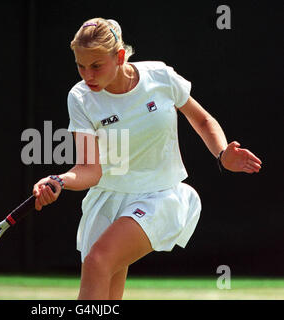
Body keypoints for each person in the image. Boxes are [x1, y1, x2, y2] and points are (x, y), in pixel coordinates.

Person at [32, 17, 262, 300]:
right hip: (108, 199)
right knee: (107, 291)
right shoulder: (79, 98)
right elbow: (90, 170)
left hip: (159, 196)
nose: (87, 75)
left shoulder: (160, 77)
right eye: (80, 66)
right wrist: (59, 180)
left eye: (95, 66)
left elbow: (201, 120)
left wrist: (223, 153)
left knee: (97, 261)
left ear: (119, 57)